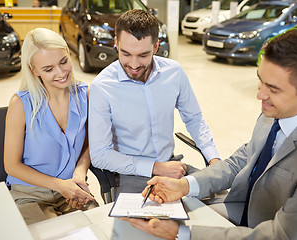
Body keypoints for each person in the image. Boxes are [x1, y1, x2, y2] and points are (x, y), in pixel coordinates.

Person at [122, 29, 297, 239]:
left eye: (273, 89)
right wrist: (186, 185)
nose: (260, 94)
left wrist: (181, 234)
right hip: (242, 210)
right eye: (260, 80)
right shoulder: (276, 110)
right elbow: (244, 159)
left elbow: (280, 235)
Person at [89, 9, 220, 194]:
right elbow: (100, 155)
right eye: (126, 54)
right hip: (131, 173)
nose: (134, 65)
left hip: (172, 166)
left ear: (156, 47)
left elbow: (194, 119)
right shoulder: (102, 87)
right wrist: (155, 167)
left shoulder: (174, 72)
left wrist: (213, 158)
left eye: (143, 55)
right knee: (146, 221)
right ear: (116, 43)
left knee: (222, 201)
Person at [4, 28, 97, 225]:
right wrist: (59, 185)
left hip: (73, 189)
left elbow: (91, 142)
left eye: (63, 62)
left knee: (98, 228)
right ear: (33, 70)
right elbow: (11, 165)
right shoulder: (21, 104)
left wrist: (80, 173)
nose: (61, 73)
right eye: (48, 69)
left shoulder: (85, 94)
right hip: (30, 194)